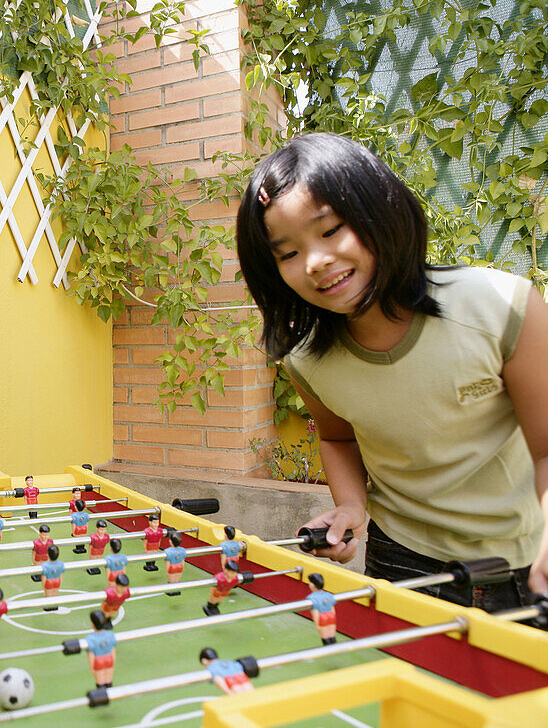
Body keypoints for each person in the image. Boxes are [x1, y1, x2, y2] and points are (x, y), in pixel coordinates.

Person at [236, 132, 548, 609]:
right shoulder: (307, 357)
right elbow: (337, 438)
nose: (316, 262)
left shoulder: (502, 307)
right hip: (401, 560)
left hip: (526, 563)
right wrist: (350, 508)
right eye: (288, 253)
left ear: (378, 210)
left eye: (330, 229)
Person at [85, 610, 117, 688]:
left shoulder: (90, 638)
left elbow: (91, 656)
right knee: (108, 682)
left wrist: (92, 669)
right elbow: (113, 652)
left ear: (92, 624)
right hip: (109, 659)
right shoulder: (110, 635)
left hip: (98, 661)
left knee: (100, 684)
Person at [306, 573, 337, 645]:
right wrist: (333, 616)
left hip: (322, 617)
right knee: (331, 632)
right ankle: (333, 643)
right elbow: (332, 608)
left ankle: (327, 645)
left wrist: (317, 624)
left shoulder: (312, 598)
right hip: (331, 616)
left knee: (325, 635)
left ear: (313, 585)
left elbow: (315, 612)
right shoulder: (328, 595)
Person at [40, 544, 65, 609]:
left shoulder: (44, 565)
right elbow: (61, 575)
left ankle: (49, 606)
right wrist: (60, 582)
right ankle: (54, 605)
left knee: (48, 596)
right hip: (57, 580)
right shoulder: (60, 564)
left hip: (49, 581)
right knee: (54, 594)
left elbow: (44, 577)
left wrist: (44, 586)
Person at [163, 531, 188, 596]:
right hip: (179, 566)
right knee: (177, 578)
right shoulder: (183, 550)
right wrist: (182, 566)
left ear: (171, 541)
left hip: (172, 566)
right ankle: (176, 589)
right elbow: (183, 560)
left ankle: (171, 590)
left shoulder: (168, 551)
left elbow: (167, 562)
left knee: (172, 579)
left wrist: (167, 570)